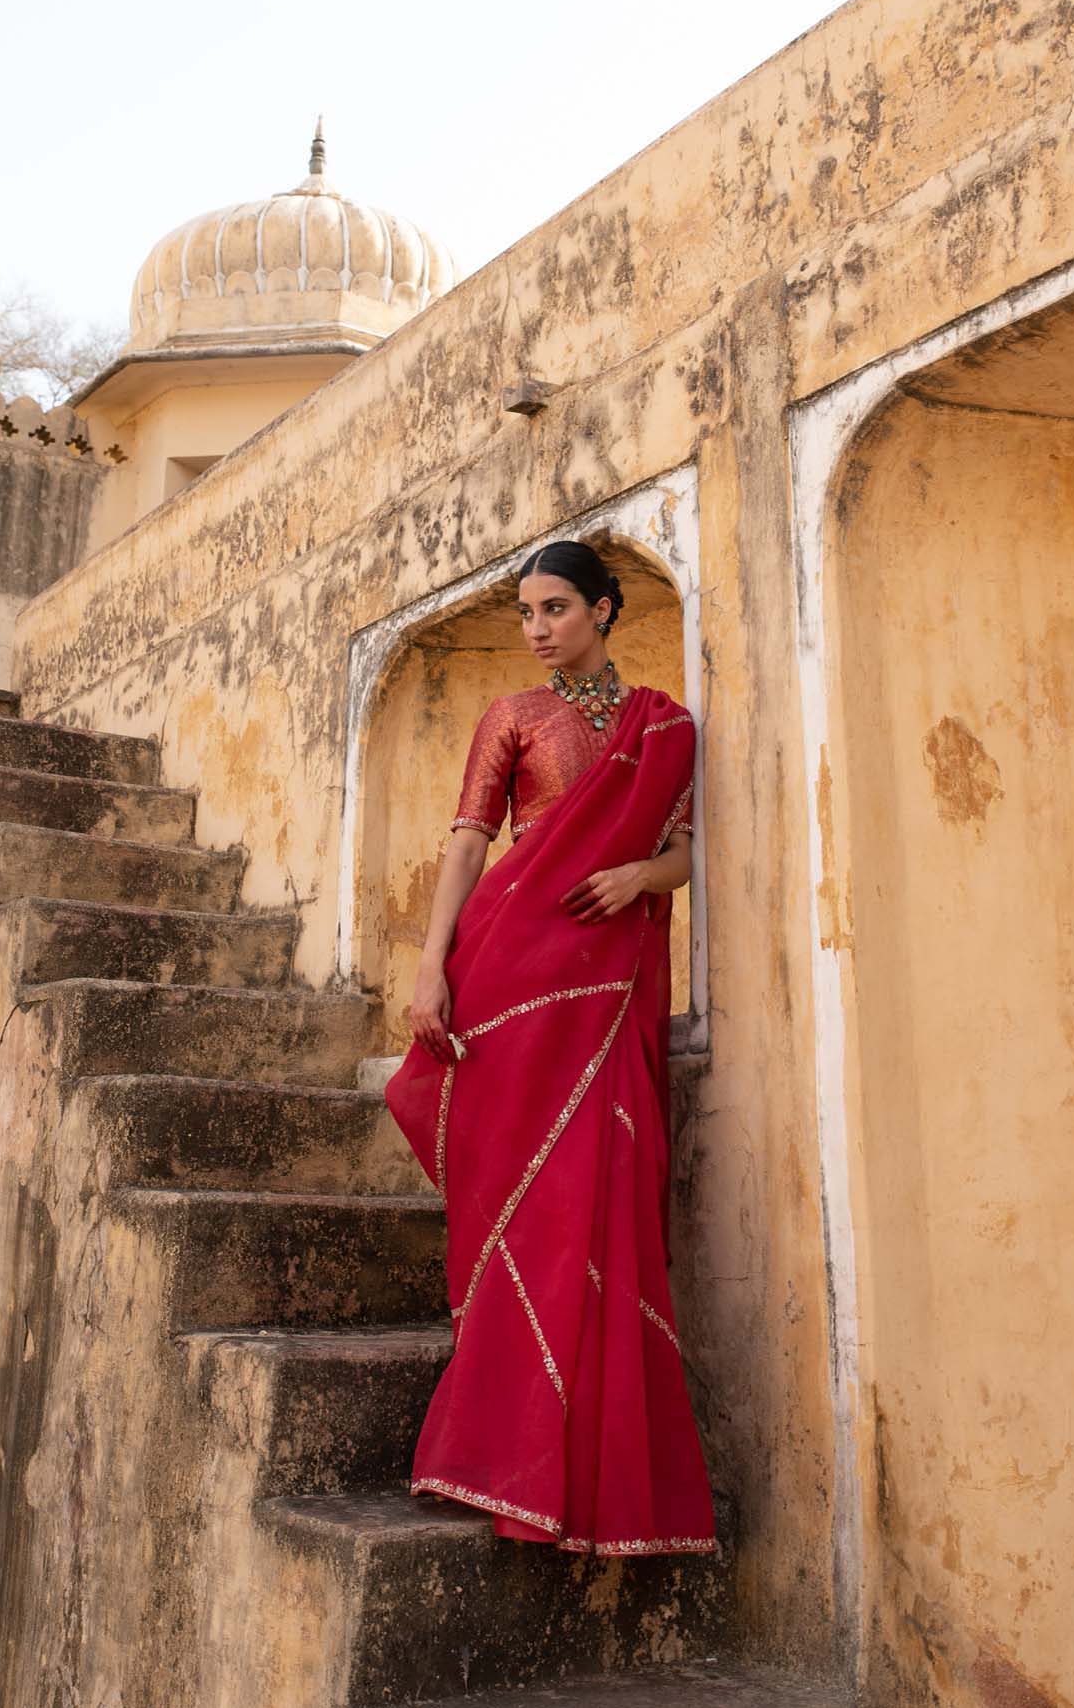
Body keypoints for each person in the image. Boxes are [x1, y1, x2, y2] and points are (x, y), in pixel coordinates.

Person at [385, 540, 716, 1556]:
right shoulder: (512, 719)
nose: (536, 630)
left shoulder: (663, 725)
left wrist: (639, 882)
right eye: (525, 612)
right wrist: (431, 965)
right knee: (517, 1200)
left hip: (606, 988)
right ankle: (504, 1448)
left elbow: (688, 850)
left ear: (605, 611)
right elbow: (469, 844)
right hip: (510, 968)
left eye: (556, 608)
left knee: (595, 1195)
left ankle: (587, 1472)